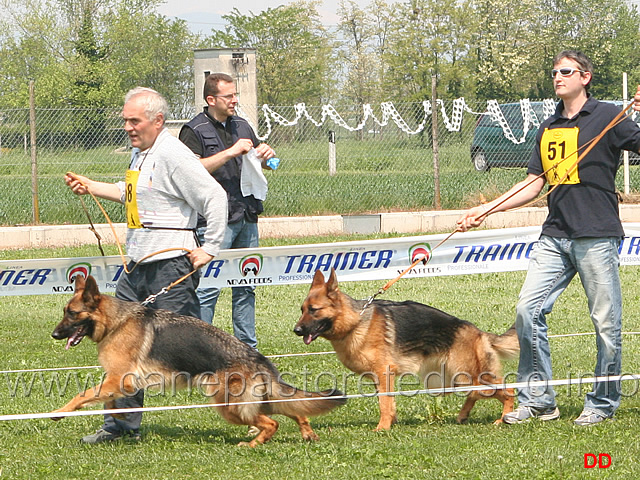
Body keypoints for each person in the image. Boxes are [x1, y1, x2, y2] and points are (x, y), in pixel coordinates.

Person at [457, 50, 640, 426]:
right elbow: (534, 182)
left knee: (606, 324)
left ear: (585, 77)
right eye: (555, 71)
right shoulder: (548, 125)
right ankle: (539, 401)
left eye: (566, 71)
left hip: (596, 235)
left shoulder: (608, 116)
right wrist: (486, 209)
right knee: (528, 311)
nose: (558, 77)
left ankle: (602, 402)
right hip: (555, 235)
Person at [64, 87, 228, 443]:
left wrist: (211, 246)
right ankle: (120, 427)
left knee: (195, 351)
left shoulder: (173, 154)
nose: (127, 127)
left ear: (157, 121)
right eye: (125, 120)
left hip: (170, 268)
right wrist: (91, 186)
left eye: (134, 120)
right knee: (118, 348)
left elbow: (214, 196)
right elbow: (132, 194)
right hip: (136, 269)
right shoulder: (142, 154)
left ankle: (260, 397)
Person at [179, 73, 277, 350]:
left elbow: (263, 164)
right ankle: (201, 349)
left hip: (246, 215)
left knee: (246, 286)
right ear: (211, 100)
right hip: (213, 221)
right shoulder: (193, 130)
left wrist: (268, 157)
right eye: (229, 96)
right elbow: (190, 172)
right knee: (208, 288)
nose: (235, 100)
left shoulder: (242, 126)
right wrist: (230, 152)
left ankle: (248, 348)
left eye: (236, 95)